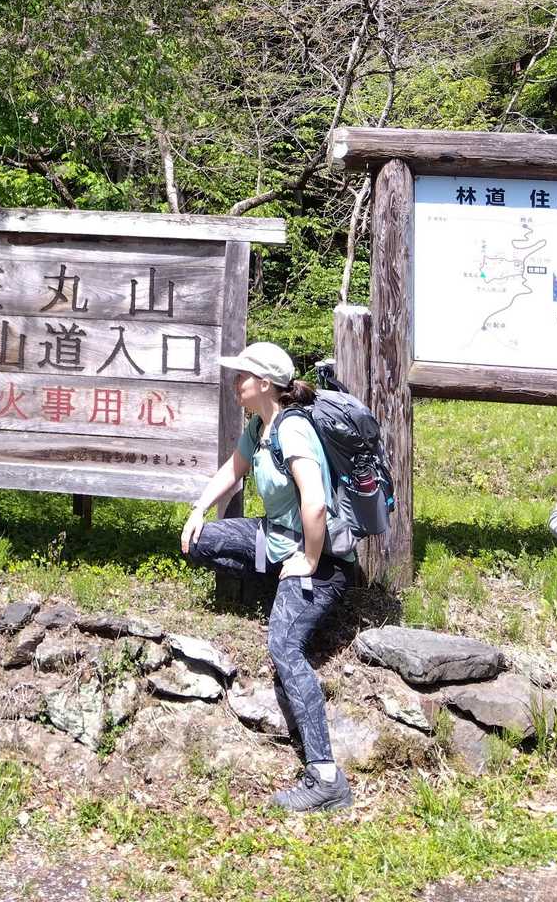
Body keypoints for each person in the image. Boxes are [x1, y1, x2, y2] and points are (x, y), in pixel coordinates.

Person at [181, 341, 354, 812]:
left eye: (242, 375)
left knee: (284, 647)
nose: (236, 381)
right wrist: (199, 509)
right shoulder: (260, 426)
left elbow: (315, 504)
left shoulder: (293, 429)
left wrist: (309, 561)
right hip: (277, 541)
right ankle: (274, 586)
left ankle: (326, 778)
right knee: (200, 541)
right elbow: (233, 471)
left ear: (264, 383)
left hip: (320, 560)